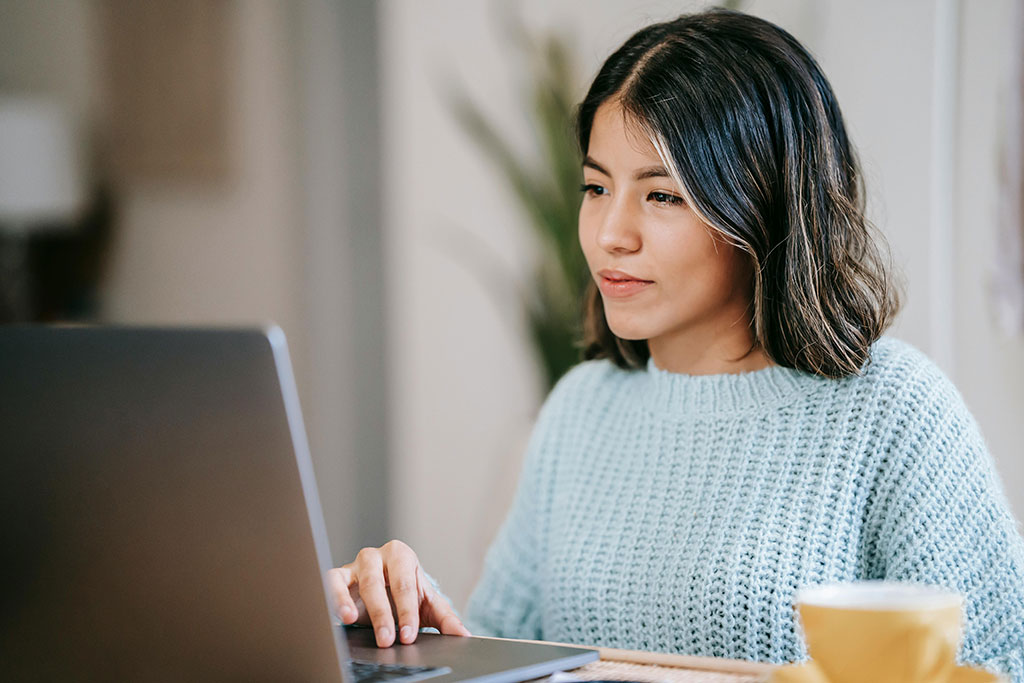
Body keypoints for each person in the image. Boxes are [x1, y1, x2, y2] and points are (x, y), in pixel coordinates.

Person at [328, 8, 1024, 680]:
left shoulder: (894, 411)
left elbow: (1001, 664)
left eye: (661, 195)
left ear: (762, 200)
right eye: (596, 187)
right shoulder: (580, 410)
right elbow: (499, 652)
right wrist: (392, 631)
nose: (609, 234)